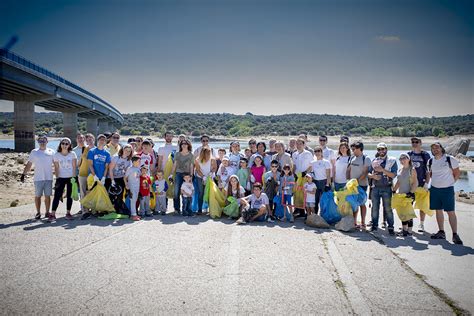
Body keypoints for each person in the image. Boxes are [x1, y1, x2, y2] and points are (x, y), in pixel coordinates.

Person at [428, 142, 462, 245]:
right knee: (438, 210)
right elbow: (431, 174)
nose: (435, 149)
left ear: (442, 148)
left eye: (437, 147)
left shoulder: (450, 159)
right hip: (434, 189)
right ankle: (441, 232)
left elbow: (457, 173)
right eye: (433, 148)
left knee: (450, 211)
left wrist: (451, 183)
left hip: (447, 189)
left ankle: (455, 234)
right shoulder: (430, 161)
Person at [20, 135, 55, 220]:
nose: (42, 143)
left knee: (47, 196)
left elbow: (56, 164)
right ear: (38, 142)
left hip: (49, 178)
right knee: (38, 196)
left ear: (47, 142)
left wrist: (59, 175)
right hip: (38, 178)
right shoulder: (34, 152)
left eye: (44, 141)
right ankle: (38, 212)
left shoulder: (52, 151)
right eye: (40, 141)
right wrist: (23, 174)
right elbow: (29, 164)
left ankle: (47, 212)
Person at [368, 142, 397, 234]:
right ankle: (374, 226)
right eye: (379, 149)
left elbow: (393, 175)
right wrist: (373, 176)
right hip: (375, 188)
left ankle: (391, 227)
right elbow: (368, 174)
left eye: (383, 149)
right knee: (375, 208)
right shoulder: (374, 161)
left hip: (387, 188)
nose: (381, 151)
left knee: (388, 209)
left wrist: (382, 170)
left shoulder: (392, 160)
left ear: (386, 149)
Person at [82, 134, 111, 219]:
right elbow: (90, 164)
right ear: (97, 141)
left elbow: (106, 167)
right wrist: (94, 176)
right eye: (100, 139)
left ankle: (98, 210)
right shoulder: (92, 151)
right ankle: (88, 211)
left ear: (106, 142)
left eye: (104, 140)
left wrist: (104, 177)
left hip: (102, 176)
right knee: (90, 193)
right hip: (92, 176)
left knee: (100, 194)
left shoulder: (107, 153)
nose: (102, 141)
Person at [49, 138, 77, 222]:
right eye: (63, 143)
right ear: (60, 144)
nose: (64, 145)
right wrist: (57, 178)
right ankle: (53, 214)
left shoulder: (72, 154)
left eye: (67, 144)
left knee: (69, 196)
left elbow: (74, 167)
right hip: (60, 178)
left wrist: (74, 178)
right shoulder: (56, 154)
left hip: (70, 178)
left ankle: (68, 213)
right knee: (57, 196)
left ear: (69, 145)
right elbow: (56, 167)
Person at [407, 137, 431, 232]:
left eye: (416, 142)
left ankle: (421, 224)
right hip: (411, 184)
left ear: (420, 143)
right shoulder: (409, 154)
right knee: (409, 204)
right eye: (413, 142)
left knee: (422, 206)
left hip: (421, 183)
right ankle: (409, 225)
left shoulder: (425, 155)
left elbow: (429, 170)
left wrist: (427, 183)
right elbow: (405, 168)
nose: (414, 143)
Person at [347, 141, 371, 228]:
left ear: (359, 149)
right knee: (354, 203)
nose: (353, 150)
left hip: (362, 184)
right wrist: (348, 180)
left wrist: (356, 181)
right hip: (352, 185)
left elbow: (365, 173)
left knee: (362, 203)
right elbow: (348, 169)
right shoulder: (352, 157)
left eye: (354, 149)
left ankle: (363, 222)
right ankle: (354, 222)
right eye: (352, 149)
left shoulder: (366, 158)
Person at [393, 153, 418, 237]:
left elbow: (415, 182)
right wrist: (394, 190)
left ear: (408, 159)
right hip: (401, 195)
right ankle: (404, 230)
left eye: (404, 158)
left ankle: (409, 231)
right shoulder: (400, 170)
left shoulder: (412, 169)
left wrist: (411, 192)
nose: (402, 160)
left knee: (408, 213)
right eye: (401, 159)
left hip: (409, 195)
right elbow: (399, 182)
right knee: (402, 212)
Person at [170, 139, 194, 213]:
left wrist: (191, 176)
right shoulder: (177, 154)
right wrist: (171, 174)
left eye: (185, 143)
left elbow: (191, 166)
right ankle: (177, 209)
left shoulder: (191, 155)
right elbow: (174, 165)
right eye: (182, 143)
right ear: (180, 145)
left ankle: (186, 209)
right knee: (176, 191)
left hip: (187, 175)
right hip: (178, 174)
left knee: (187, 192)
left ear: (188, 145)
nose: (184, 145)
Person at [194, 147, 217, 214]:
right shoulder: (198, 160)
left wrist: (211, 173)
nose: (208, 154)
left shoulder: (212, 159)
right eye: (206, 153)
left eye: (209, 153)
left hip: (209, 177)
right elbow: (197, 170)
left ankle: (210, 209)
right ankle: (200, 209)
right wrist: (203, 177)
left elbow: (215, 168)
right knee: (201, 193)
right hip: (200, 177)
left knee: (209, 193)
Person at [310, 146, 332, 214]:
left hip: (324, 182)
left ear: (321, 152)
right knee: (315, 200)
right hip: (316, 182)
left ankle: (324, 214)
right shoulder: (313, 162)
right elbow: (311, 173)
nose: (317, 153)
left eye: (318, 151)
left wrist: (328, 184)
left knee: (324, 200)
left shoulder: (326, 162)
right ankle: (315, 215)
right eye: (315, 151)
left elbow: (328, 175)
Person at [77, 134, 95, 214]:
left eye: (90, 139)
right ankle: (84, 211)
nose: (89, 140)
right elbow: (80, 161)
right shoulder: (84, 148)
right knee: (83, 192)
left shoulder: (97, 149)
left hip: (93, 174)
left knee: (92, 192)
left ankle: (93, 209)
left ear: (93, 139)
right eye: (87, 139)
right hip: (83, 173)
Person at [125, 155, 141, 221]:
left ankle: (135, 214)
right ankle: (133, 215)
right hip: (132, 187)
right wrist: (126, 184)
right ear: (134, 162)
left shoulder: (138, 168)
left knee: (135, 200)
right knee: (133, 201)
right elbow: (125, 177)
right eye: (138, 161)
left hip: (137, 187)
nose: (140, 162)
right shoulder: (130, 169)